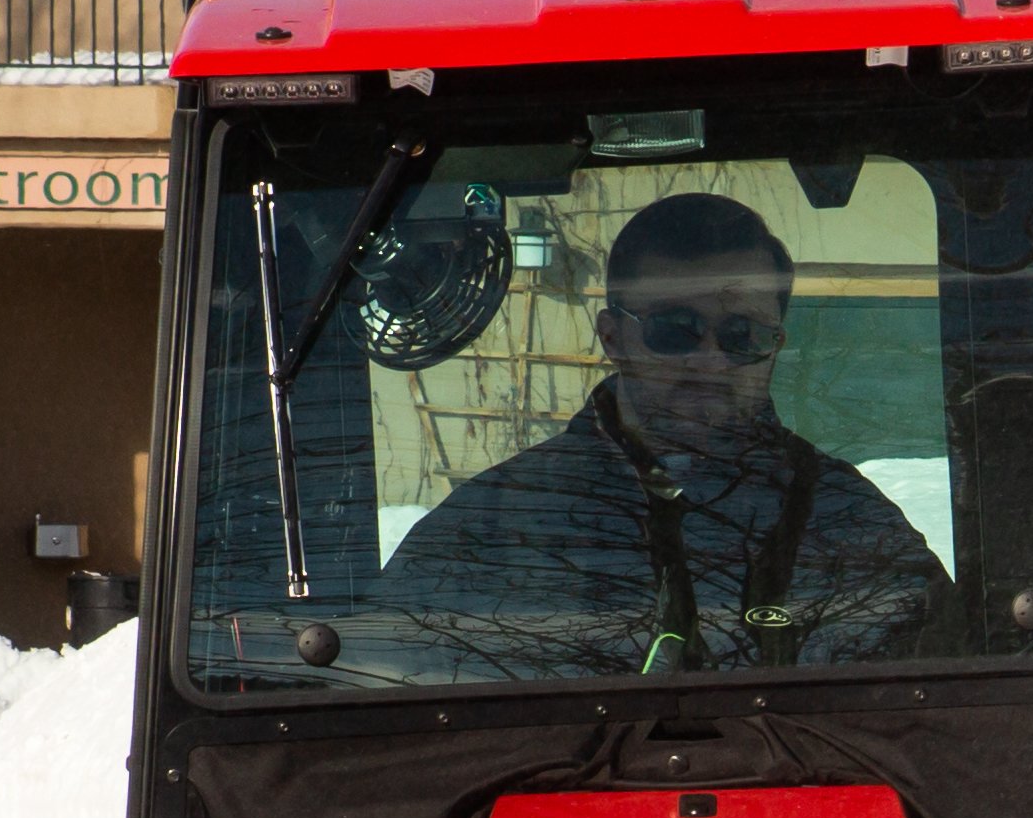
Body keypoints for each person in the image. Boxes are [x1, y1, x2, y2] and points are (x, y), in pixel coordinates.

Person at [382, 190, 950, 673]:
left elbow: (944, 684)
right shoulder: (490, 529)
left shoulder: (850, 520)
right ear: (612, 337)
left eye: (743, 335)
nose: (710, 361)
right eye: (675, 330)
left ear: (776, 345)